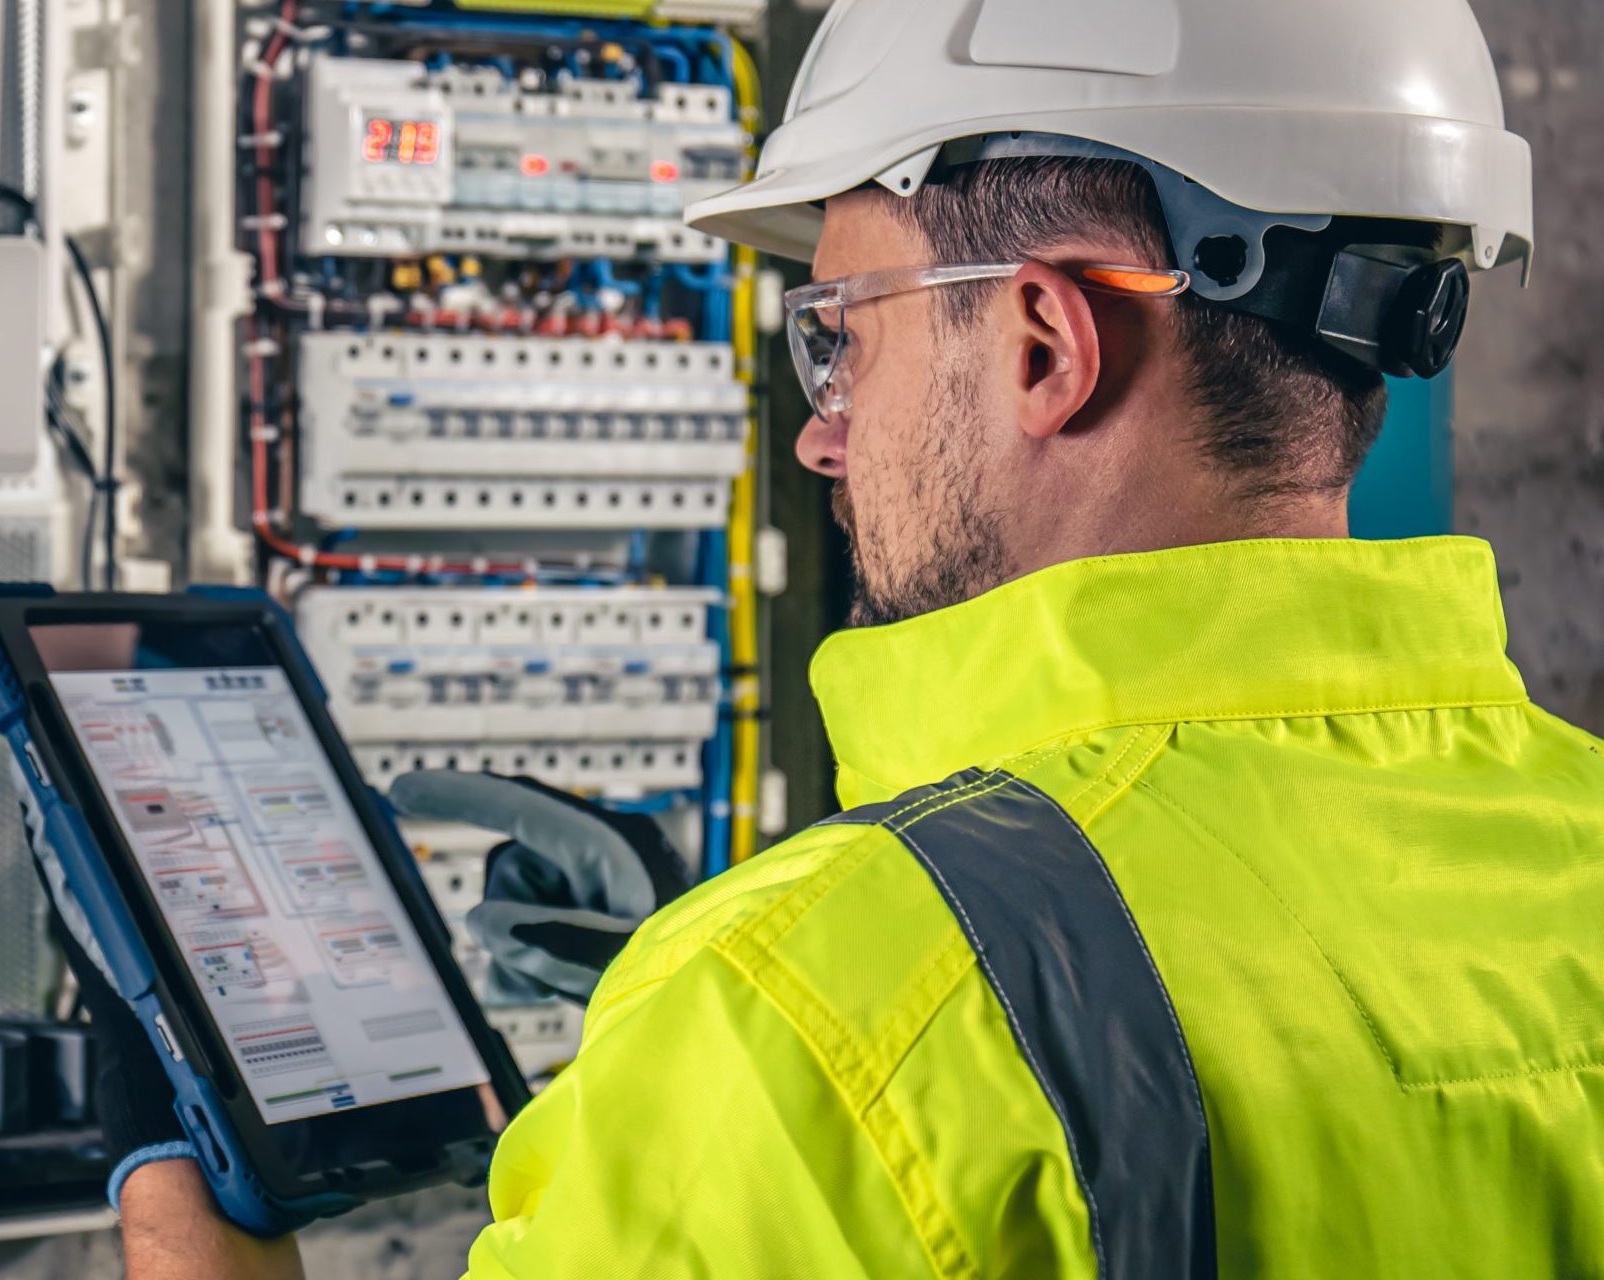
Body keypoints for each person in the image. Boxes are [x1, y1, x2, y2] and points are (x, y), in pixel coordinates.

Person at [91, 0, 1604, 1273]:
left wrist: (176, 1199)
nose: (824, 440)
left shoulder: (797, 1033)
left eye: (844, 337)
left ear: (1041, 344)